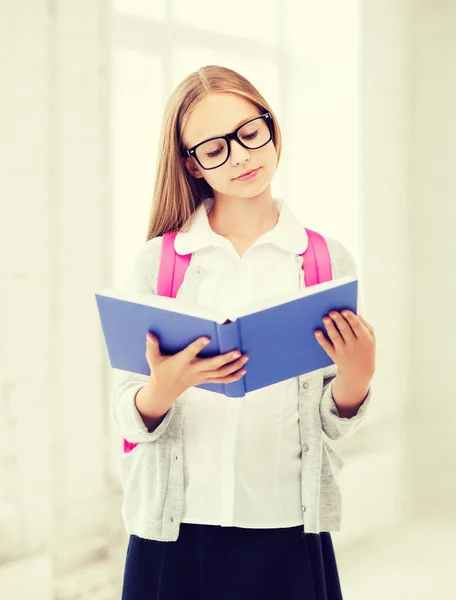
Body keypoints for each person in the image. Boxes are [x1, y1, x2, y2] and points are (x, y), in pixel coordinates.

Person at [112, 65, 376, 600]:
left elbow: (334, 421)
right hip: (177, 528)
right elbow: (125, 415)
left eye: (248, 133)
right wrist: (164, 388)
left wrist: (358, 376)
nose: (240, 156)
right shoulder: (161, 264)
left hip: (286, 525)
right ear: (192, 164)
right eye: (214, 149)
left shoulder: (323, 260)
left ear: (271, 127)